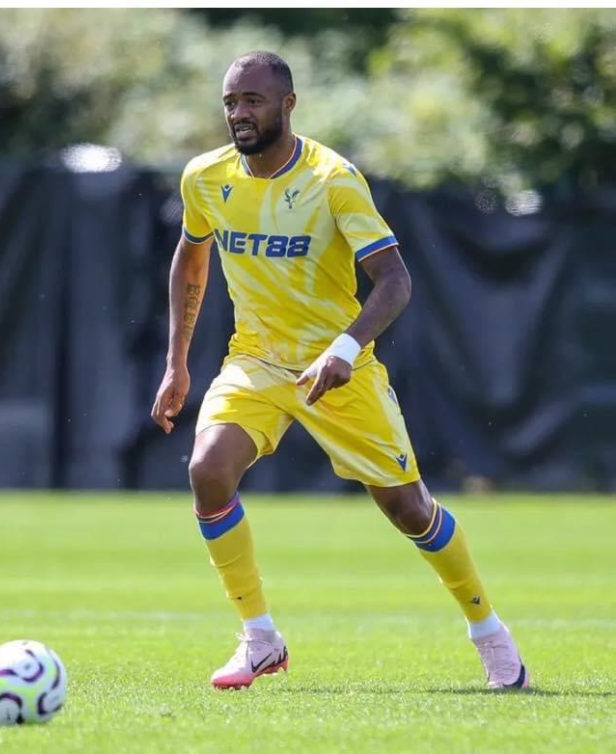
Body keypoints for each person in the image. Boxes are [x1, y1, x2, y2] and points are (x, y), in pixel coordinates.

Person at [151, 51, 529, 691]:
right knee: (207, 472)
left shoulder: (333, 179)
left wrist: (345, 350)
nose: (240, 114)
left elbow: (395, 282)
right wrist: (176, 364)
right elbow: (191, 260)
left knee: (409, 510)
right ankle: (260, 639)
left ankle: (490, 633)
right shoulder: (204, 177)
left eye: (253, 101)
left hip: (339, 367)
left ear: (288, 105)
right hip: (256, 359)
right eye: (231, 103)